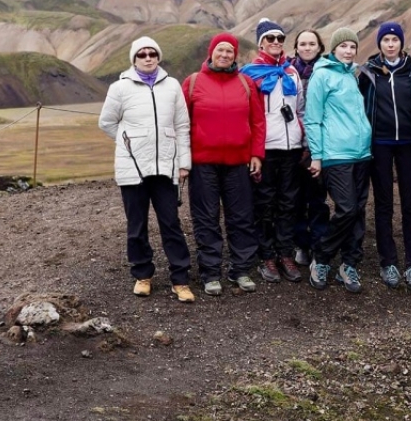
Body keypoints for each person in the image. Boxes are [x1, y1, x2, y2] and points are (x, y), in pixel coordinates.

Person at [97, 36, 194, 302]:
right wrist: (129, 141)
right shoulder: (119, 88)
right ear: (134, 59)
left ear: (159, 57)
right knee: (136, 225)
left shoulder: (172, 86)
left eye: (153, 53)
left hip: (165, 168)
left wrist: (184, 163)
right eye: (142, 54)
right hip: (133, 168)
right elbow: (106, 122)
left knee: (171, 224)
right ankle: (143, 275)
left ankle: (181, 279)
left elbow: (182, 125)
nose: (148, 58)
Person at [182, 33, 266, 296]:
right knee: (206, 219)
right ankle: (210, 273)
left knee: (241, 218)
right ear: (211, 52)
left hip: (238, 161)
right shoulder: (193, 83)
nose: (225, 55)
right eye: (221, 50)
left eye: (230, 51)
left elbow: (257, 121)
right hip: (203, 163)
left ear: (235, 55)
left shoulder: (246, 83)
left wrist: (257, 154)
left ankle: (241, 270)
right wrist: (183, 160)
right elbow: (181, 123)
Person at [356, 21, 411, 291]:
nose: (390, 44)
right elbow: (359, 108)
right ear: (379, 44)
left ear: (401, 43)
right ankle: (388, 261)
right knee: (384, 204)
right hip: (379, 145)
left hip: (409, 146)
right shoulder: (369, 72)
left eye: (394, 40)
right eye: (385, 40)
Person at [304, 28, 372, 293]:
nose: (348, 51)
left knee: (358, 210)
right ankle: (321, 257)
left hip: (361, 153)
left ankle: (350, 263)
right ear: (333, 49)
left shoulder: (352, 75)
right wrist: (317, 156)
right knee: (346, 208)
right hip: (335, 153)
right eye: (343, 46)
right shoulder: (322, 75)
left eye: (352, 47)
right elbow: (313, 118)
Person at [241, 18, 305, 283]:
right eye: (270, 39)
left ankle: (285, 253)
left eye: (280, 38)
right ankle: (266, 254)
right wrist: (251, 151)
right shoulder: (250, 74)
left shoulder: (292, 72)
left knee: (288, 203)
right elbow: (246, 114)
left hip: (291, 149)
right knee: (265, 203)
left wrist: (304, 141)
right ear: (261, 43)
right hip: (265, 149)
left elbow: (299, 108)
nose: (276, 43)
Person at [289, 29, 331, 266]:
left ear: (319, 47)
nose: (307, 48)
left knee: (317, 198)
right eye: (302, 43)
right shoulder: (287, 72)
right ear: (296, 47)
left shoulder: (326, 72)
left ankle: (318, 245)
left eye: (311, 44)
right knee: (295, 199)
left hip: (319, 144)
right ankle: (301, 244)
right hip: (294, 144)